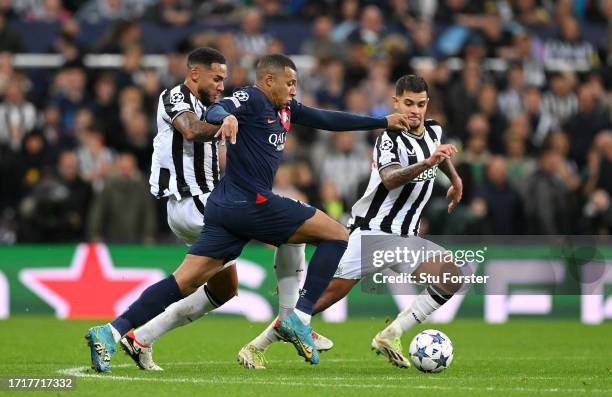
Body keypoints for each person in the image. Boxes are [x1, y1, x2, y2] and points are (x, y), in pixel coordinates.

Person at [86, 53, 409, 371]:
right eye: (291, 83)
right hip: (234, 201)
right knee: (335, 234)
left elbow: (325, 118)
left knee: (188, 283)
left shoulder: (284, 108)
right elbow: (218, 108)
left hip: (222, 206)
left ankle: (113, 331)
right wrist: (224, 116)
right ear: (269, 80)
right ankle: (297, 317)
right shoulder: (251, 97)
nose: (295, 89)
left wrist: (381, 121)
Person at [243, 75, 465, 368]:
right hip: (371, 234)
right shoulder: (389, 138)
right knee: (313, 304)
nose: (415, 110)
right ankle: (255, 347)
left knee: (451, 276)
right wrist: (426, 164)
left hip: (406, 238)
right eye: (408, 103)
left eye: (421, 104)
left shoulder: (434, 129)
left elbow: (439, 151)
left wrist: (455, 179)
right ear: (395, 102)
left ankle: (391, 333)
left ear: (428, 105)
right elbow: (389, 178)